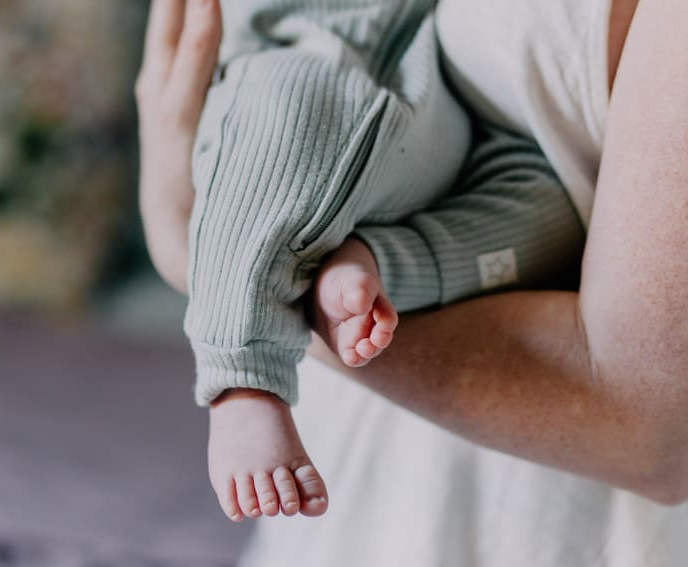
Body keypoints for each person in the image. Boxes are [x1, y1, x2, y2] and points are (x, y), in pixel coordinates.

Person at [136, 0, 688, 567]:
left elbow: (654, 430)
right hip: (355, 535)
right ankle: (256, 345)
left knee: (540, 218)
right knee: (297, 112)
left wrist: (197, 255)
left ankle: (263, 338)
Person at [184, 0, 583, 523]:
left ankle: (372, 263)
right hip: (309, 54)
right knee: (291, 112)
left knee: (557, 214)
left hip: (439, 99)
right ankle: (244, 373)